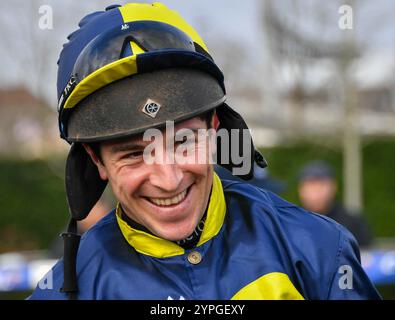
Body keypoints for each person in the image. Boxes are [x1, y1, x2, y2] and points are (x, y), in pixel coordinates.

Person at [29, 3, 380, 300]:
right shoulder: (64, 291)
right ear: (96, 160)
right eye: (133, 154)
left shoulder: (319, 250)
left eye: (184, 142)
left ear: (213, 129)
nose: (168, 180)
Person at [298, 160, 374, 248]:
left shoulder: (353, 222)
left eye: (322, 185)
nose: (316, 191)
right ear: (301, 190)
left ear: (333, 187)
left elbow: (367, 256)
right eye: (311, 185)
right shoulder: (290, 222)